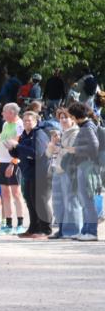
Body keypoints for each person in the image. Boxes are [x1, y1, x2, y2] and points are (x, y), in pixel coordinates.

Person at [8, 111, 54, 238]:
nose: (26, 123)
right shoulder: (24, 135)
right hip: (28, 173)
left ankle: (46, 229)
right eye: (25, 121)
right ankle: (33, 228)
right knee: (30, 200)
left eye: (29, 120)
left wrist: (18, 145)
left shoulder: (39, 134)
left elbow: (36, 153)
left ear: (35, 121)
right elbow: (19, 154)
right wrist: (12, 149)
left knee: (41, 200)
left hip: (42, 173)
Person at [61, 103, 99, 240]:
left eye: (71, 116)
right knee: (84, 199)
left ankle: (92, 232)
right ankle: (85, 231)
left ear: (76, 116)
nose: (71, 118)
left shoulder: (87, 127)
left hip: (87, 165)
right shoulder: (86, 126)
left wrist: (76, 150)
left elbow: (94, 147)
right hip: (84, 165)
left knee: (87, 199)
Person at [47, 109, 81, 239]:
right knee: (57, 202)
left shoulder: (76, 133)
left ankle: (72, 231)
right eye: (60, 118)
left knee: (71, 201)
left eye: (65, 117)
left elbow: (73, 150)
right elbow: (49, 154)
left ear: (72, 119)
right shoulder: (60, 133)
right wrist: (51, 145)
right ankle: (61, 229)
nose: (63, 120)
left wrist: (59, 148)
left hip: (70, 170)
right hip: (57, 169)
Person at [0, 102, 27, 235]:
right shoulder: (5, 124)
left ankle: (20, 224)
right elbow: (2, 143)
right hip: (2, 162)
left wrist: (13, 163)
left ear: (12, 113)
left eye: (4, 111)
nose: (2, 113)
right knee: (5, 194)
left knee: (16, 193)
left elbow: (18, 146)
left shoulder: (20, 125)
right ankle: (8, 224)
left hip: (13, 162)